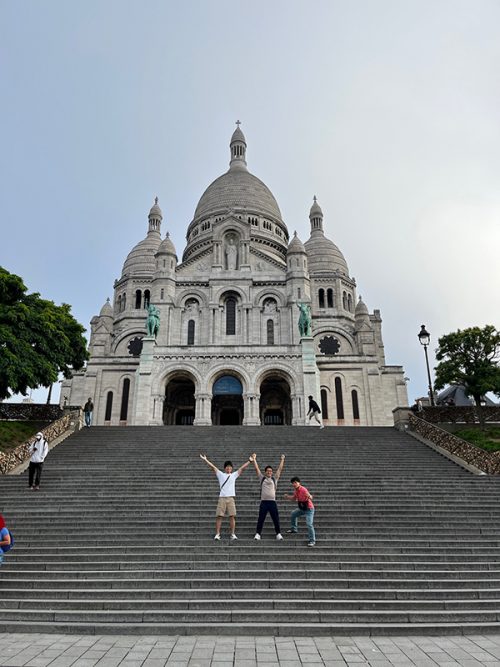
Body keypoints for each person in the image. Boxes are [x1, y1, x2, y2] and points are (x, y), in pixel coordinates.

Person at [200, 454, 251, 540]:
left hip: (231, 498)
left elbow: (242, 468)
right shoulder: (221, 474)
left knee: (232, 516)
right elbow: (213, 467)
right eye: (227, 467)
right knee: (219, 516)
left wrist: (250, 461)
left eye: (230, 467)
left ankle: (232, 534)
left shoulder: (234, 475)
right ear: (224, 468)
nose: (228, 469)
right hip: (222, 498)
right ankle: (217, 534)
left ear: (231, 468)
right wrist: (205, 460)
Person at [250, 453, 285, 541]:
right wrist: (254, 459)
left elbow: (280, 470)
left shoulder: (274, 479)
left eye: (270, 471)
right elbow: (256, 469)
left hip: (272, 502)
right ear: (265, 472)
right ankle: (258, 534)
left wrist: (282, 460)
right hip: (264, 502)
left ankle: (278, 533)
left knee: (275, 519)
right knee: (261, 518)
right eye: (268, 471)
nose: (269, 472)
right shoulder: (262, 478)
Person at [283, 476, 316, 547]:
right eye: (293, 483)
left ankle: (312, 541)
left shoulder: (303, 489)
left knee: (309, 524)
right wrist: (287, 496)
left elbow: (311, 497)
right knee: (293, 514)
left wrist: (309, 496)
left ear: (299, 483)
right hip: (302, 508)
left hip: (309, 509)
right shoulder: (296, 490)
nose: (294, 484)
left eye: (295, 482)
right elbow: (294, 499)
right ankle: (294, 529)